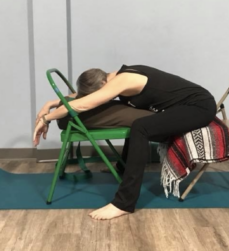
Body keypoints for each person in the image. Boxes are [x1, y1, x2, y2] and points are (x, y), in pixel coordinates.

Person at [34, 64, 216, 220]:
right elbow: (81, 97)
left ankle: (124, 203)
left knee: (141, 127)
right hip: (186, 106)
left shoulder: (125, 80)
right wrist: (50, 102)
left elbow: (83, 104)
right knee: (139, 124)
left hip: (198, 108)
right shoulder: (114, 78)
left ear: (103, 84)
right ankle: (123, 168)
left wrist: (46, 119)